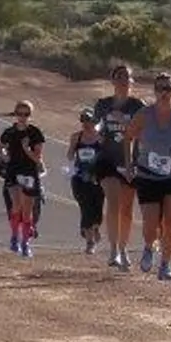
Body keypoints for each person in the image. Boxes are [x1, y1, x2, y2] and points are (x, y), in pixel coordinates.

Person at [126, 73, 171, 281]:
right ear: (154, 91)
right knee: (150, 223)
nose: (164, 93)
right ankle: (148, 246)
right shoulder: (143, 115)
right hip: (147, 174)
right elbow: (127, 138)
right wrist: (129, 164)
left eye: (168, 88)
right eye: (160, 88)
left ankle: (165, 265)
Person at [92, 65, 145, 270]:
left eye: (127, 77)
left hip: (130, 160)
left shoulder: (137, 105)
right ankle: (113, 250)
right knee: (113, 202)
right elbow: (97, 124)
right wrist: (97, 130)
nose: (123, 81)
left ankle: (123, 249)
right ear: (113, 81)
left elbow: (143, 130)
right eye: (119, 77)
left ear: (132, 82)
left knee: (126, 209)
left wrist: (128, 124)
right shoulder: (103, 104)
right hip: (107, 159)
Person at [0, 102, 46, 258]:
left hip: (29, 172)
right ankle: (14, 237)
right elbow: (2, 147)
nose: (23, 117)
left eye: (26, 114)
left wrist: (27, 149)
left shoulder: (35, 133)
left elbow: (38, 159)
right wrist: (4, 155)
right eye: (20, 113)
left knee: (27, 210)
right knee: (16, 205)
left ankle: (25, 242)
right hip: (13, 171)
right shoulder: (9, 132)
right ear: (16, 114)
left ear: (30, 116)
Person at [67, 109, 105, 254]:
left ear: (95, 122)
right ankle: (90, 242)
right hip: (80, 178)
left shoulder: (101, 138)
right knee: (85, 207)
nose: (86, 124)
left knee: (97, 208)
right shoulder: (76, 137)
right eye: (83, 121)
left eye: (89, 121)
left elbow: (106, 156)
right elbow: (70, 156)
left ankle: (95, 227)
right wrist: (73, 147)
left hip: (97, 179)